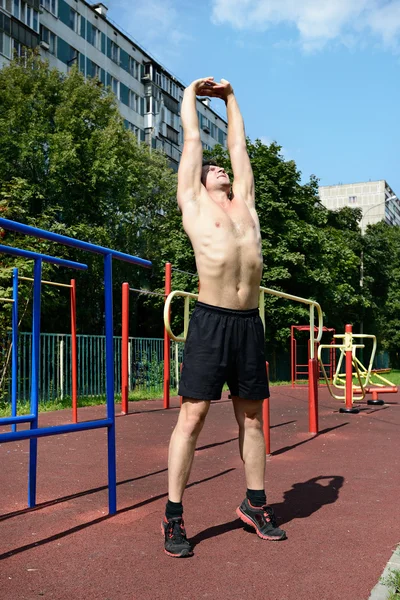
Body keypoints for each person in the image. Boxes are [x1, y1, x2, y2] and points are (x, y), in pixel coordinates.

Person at [162, 77, 286, 558]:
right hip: (212, 320)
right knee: (191, 417)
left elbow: (238, 143)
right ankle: (174, 517)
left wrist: (231, 97)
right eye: (209, 168)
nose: (218, 168)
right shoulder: (193, 205)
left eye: (222, 168)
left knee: (253, 419)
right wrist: (190, 93)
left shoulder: (247, 206)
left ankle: (255, 506)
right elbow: (193, 140)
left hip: (248, 323)